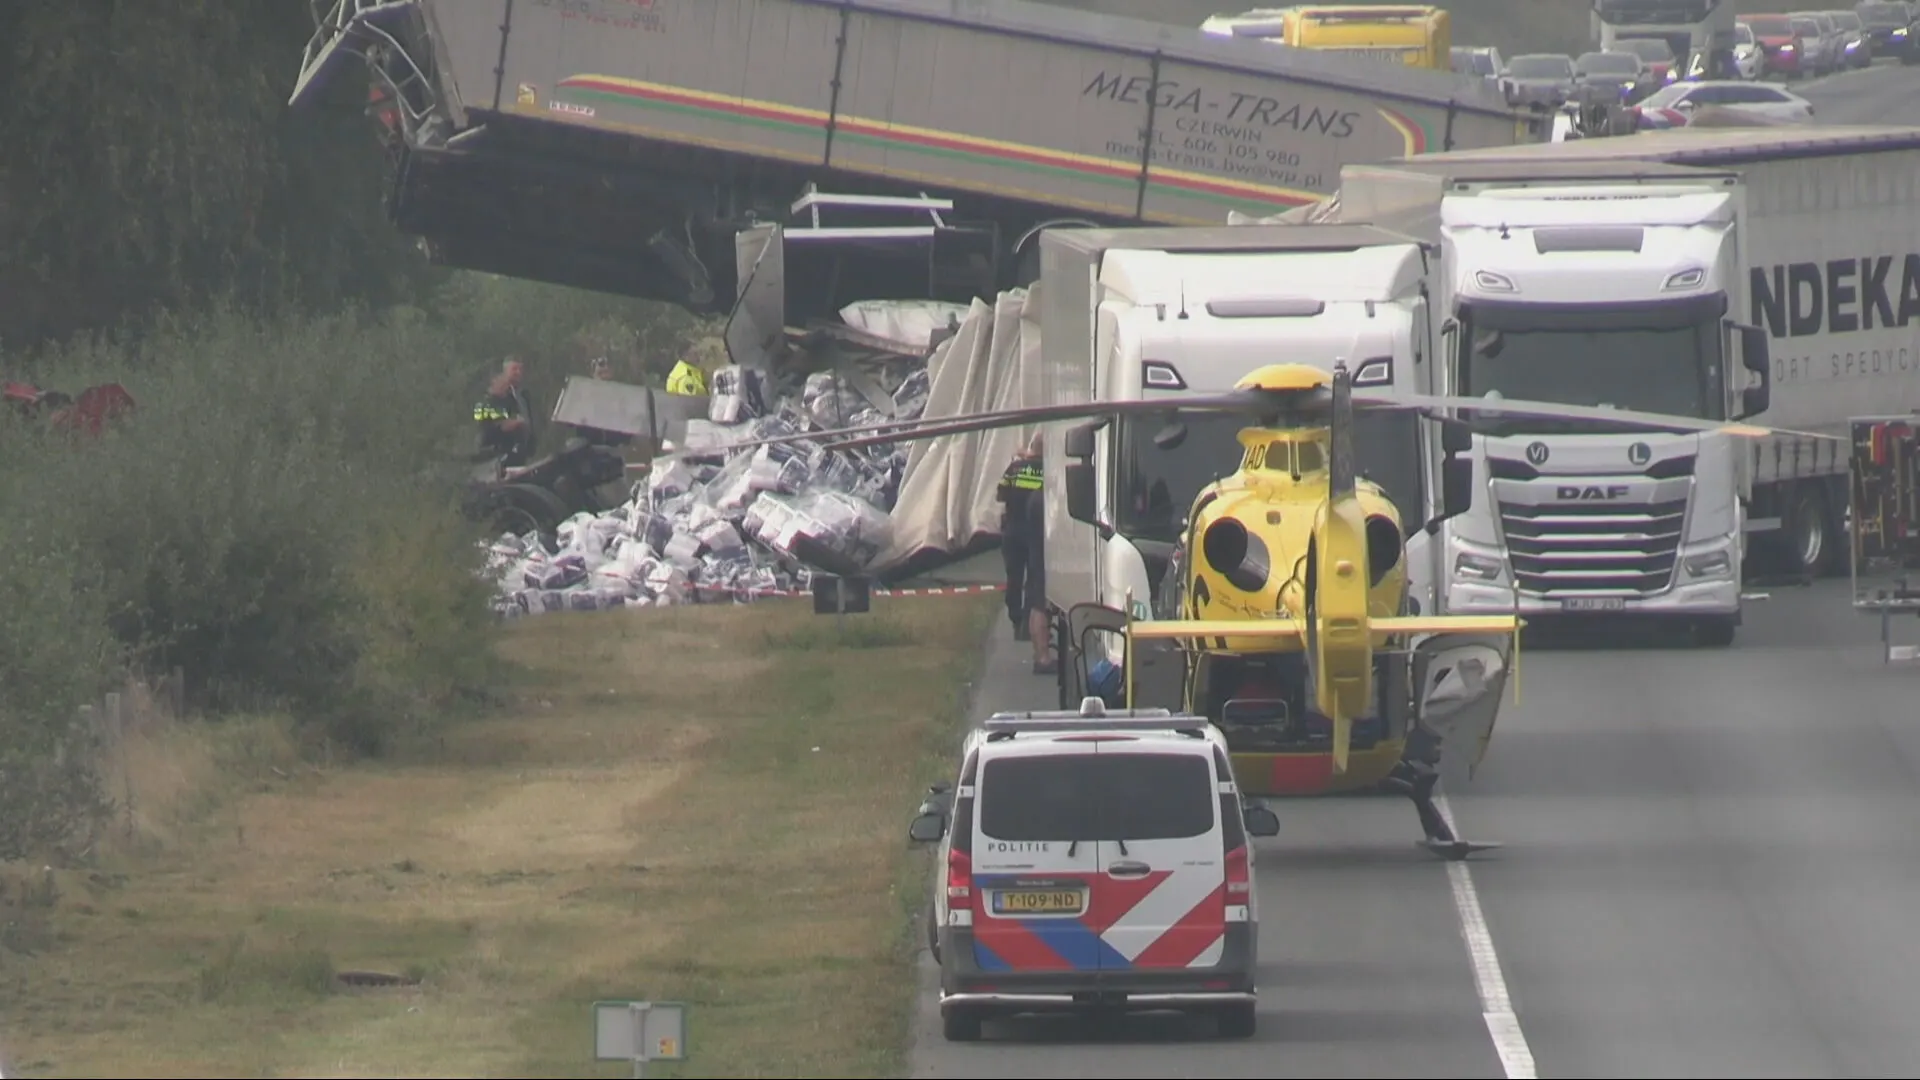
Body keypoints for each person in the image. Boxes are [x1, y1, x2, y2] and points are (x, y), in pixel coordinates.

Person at [996, 435, 1045, 641]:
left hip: (1012, 530)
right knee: (1034, 579)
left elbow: (1000, 495)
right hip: (1036, 532)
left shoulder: (1014, 468)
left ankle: (1015, 620)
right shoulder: (1047, 470)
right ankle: (1028, 622)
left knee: (1013, 578)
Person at [1024, 463, 1056, 676]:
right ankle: (1043, 658)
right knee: (1040, 606)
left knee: (1037, 604)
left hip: (1035, 555)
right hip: (1044, 557)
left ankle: (1039, 654)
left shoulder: (1035, 497)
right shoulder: (1045, 500)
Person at [474, 357, 534, 466]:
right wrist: (503, 427)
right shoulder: (483, 403)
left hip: (519, 455)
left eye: (520, 369)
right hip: (494, 459)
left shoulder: (518, 397)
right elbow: (483, 429)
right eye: (514, 369)